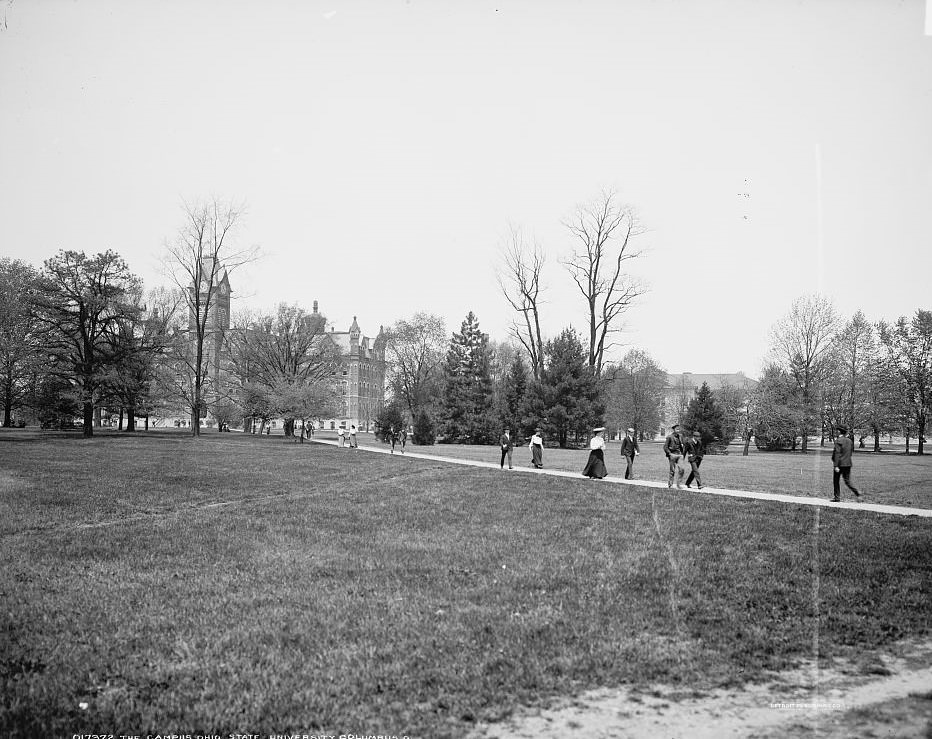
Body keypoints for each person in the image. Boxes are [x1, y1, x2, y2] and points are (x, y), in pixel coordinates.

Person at [831, 424, 860, 502]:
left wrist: (836, 465)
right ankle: (857, 492)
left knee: (836, 481)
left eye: (837, 430)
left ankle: (837, 497)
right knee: (847, 481)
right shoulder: (849, 441)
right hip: (848, 463)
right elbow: (850, 453)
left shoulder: (838, 441)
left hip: (840, 464)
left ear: (839, 431)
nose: (836, 431)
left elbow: (837, 453)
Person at [663, 423, 687, 489]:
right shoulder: (669, 437)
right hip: (672, 454)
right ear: (674, 430)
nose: (678, 430)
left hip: (679, 455)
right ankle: (670, 484)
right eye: (677, 429)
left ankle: (678, 484)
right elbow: (665, 447)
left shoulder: (681, 436)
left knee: (682, 469)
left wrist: (683, 452)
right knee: (672, 470)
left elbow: (684, 444)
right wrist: (669, 453)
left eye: (679, 429)